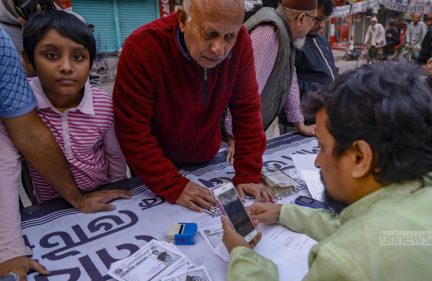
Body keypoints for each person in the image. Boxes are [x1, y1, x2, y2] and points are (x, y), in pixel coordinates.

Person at [221, 62, 432, 280]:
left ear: (360, 157)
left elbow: (369, 242)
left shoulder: (346, 261)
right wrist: (284, 212)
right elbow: (374, 228)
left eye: (322, 147)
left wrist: (243, 256)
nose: (318, 162)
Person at [113, 0, 275, 213]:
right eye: (209, 34)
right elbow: (132, 130)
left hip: (206, 156)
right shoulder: (143, 47)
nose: (219, 50)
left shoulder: (242, 41)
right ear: (183, 20)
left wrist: (248, 174)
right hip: (153, 167)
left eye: (229, 37)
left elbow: (247, 111)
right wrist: (172, 184)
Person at [0, 25, 124, 281]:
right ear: (27, 60)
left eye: (78, 57)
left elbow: (114, 154)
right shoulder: (22, 105)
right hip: (49, 204)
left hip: (99, 192)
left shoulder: (102, 103)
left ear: (91, 62)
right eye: (51, 55)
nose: (66, 67)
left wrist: (118, 186)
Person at [224, 0, 318, 164]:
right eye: (314, 20)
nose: (314, 27)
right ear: (301, 18)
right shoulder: (270, 32)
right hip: (225, 135)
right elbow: (244, 90)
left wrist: (300, 125)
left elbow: (290, 80)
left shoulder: (286, 35)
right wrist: (233, 136)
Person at [295, 0, 338, 102]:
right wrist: (324, 90)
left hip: (326, 107)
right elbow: (289, 85)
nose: (321, 25)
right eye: (317, 19)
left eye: (325, 20)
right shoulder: (294, 42)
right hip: (305, 113)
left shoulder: (323, 41)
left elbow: (330, 70)